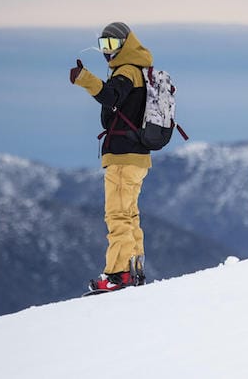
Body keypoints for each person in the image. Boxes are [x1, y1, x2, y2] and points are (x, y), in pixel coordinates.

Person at [69, 22, 153, 292]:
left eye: (113, 45)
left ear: (125, 45)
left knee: (117, 216)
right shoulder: (139, 70)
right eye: (103, 45)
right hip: (138, 156)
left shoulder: (127, 72)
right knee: (130, 215)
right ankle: (134, 269)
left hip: (123, 155)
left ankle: (117, 275)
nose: (107, 52)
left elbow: (109, 95)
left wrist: (84, 79)